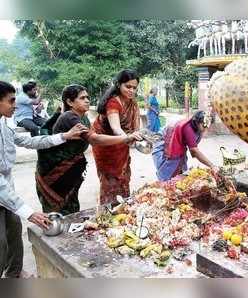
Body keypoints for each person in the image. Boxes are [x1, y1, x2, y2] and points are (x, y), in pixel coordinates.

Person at [0, 81, 87, 278]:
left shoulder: (4, 126)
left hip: (7, 187)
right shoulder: (68, 116)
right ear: (69, 102)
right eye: (11, 101)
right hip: (2, 190)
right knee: (1, 243)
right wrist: (29, 213)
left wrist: (64, 136)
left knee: (14, 233)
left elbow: (30, 141)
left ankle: (14, 273)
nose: (16, 105)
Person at [36, 84, 141, 215]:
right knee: (60, 212)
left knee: (72, 207)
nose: (87, 100)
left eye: (87, 97)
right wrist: (125, 138)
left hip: (69, 171)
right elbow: (94, 139)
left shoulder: (83, 117)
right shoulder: (69, 117)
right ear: (69, 102)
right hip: (56, 173)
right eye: (82, 98)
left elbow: (95, 137)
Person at [92, 69, 143, 204]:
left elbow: (137, 125)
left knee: (123, 175)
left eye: (134, 88)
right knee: (110, 179)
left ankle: (123, 205)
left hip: (122, 143)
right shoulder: (113, 102)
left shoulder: (132, 102)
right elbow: (116, 128)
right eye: (128, 87)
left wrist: (140, 135)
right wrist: (128, 137)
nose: (131, 90)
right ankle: (108, 208)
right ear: (119, 85)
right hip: (106, 145)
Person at [152, 110, 219, 181]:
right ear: (197, 122)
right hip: (165, 143)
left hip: (176, 143)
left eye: (207, 126)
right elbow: (194, 151)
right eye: (204, 125)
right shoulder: (188, 128)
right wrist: (212, 166)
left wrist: (202, 130)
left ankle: (174, 181)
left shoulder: (197, 128)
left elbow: (194, 146)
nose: (206, 128)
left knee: (181, 165)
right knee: (170, 167)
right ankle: (165, 183)